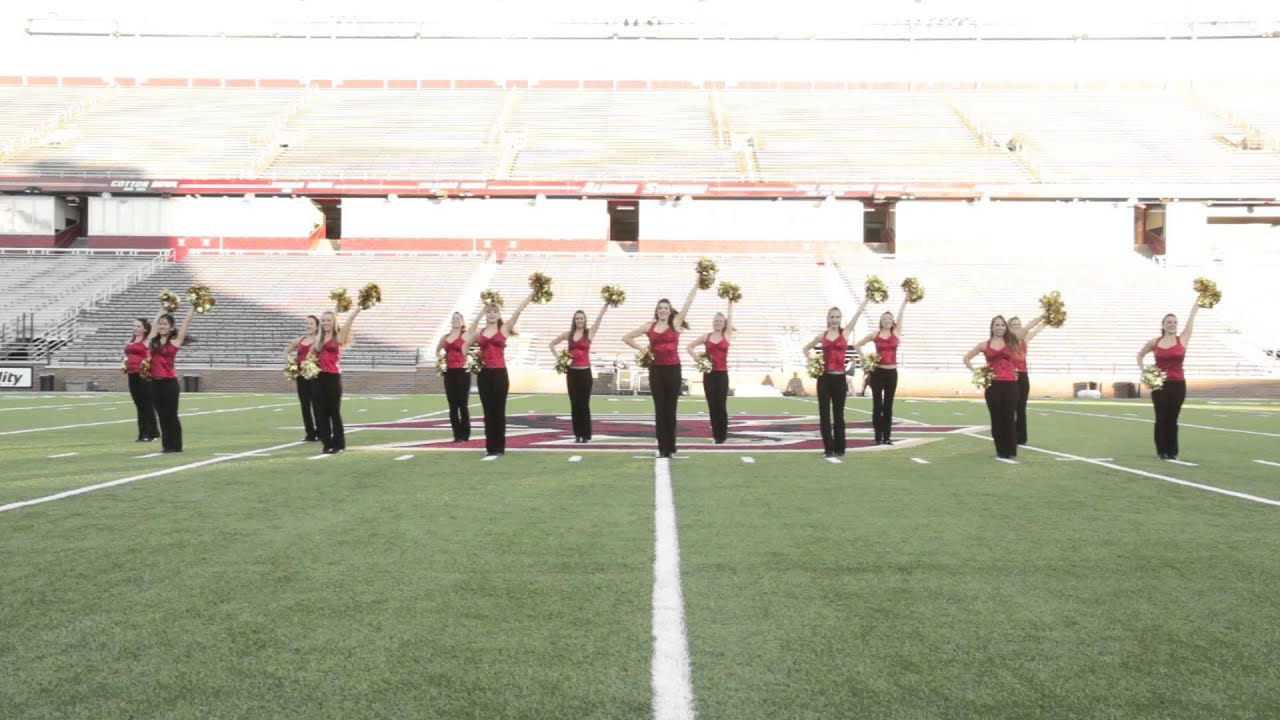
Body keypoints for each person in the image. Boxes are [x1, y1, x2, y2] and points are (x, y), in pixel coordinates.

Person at [622, 281, 701, 458]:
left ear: (670, 310)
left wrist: (697, 283)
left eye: (666, 308)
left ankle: (671, 447)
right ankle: (662, 448)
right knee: (660, 409)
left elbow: (688, 302)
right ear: (656, 311)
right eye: (660, 308)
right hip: (656, 370)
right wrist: (642, 349)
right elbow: (626, 337)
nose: (663, 310)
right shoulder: (649, 326)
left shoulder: (676, 323)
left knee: (670, 409)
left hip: (673, 370)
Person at [464, 292, 533, 458]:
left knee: (498, 411)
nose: (492, 314)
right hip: (484, 374)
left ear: (499, 314)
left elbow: (518, 311)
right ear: (485, 313)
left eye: (495, 312)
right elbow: (464, 345)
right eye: (489, 311)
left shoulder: (504, 328)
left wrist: (533, 294)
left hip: (500, 373)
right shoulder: (479, 333)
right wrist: (471, 361)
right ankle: (490, 447)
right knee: (488, 411)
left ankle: (499, 447)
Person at [802, 296, 870, 458]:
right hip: (824, 379)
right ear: (828, 319)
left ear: (840, 319)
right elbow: (806, 349)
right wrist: (812, 362)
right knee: (824, 415)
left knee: (839, 415)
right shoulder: (822, 336)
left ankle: (840, 448)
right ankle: (828, 449)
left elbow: (857, 316)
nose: (835, 320)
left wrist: (866, 300)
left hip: (839, 379)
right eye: (832, 317)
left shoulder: (845, 333)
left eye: (837, 317)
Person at [1136, 298, 1200, 460]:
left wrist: (1196, 305)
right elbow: (1140, 355)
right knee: (1161, 417)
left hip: (1178, 384)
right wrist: (1144, 371)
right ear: (1163, 325)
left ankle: (1173, 451)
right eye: (1169, 322)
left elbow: (1191, 320)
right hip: (1159, 384)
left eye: (1175, 322)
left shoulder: (1182, 339)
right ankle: (1161, 451)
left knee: (1173, 418)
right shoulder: (1154, 342)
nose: (1172, 324)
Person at [548, 302, 609, 443]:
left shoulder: (589, 333)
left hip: (585, 373)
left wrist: (605, 305)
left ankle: (586, 434)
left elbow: (599, 319)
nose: (579, 320)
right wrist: (559, 359)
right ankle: (577, 434)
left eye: (581, 318)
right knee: (574, 404)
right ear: (574, 320)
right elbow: (552, 344)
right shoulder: (568, 334)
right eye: (577, 318)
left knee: (584, 404)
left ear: (585, 320)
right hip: (572, 374)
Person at [963, 315, 1021, 460]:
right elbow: (966, 358)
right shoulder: (984, 345)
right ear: (992, 327)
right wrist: (977, 372)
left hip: (1011, 384)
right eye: (997, 325)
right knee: (996, 418)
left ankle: (1011, 450)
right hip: (993, 385)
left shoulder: (1011, 342)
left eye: (1002, 325)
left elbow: (1026, 332)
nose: (1000, 327)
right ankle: (1001, 450)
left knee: (1009, 417)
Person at [853, 297, 909, 445]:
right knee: (877, 405)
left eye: (889, 319)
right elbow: (857, 345)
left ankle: (887, 437)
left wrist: (905, 300)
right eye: (884, 319)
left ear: (892, 321)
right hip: (877, 372)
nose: (887, 321)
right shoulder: (875, 335)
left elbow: (901, 314)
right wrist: (864, 359)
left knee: (888, 405)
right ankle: (878, 437)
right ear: (881, 321)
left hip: (892, 373)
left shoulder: (896, 332)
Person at [311, 306, 362, 455]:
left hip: (332, 376)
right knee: (320, 412)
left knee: (333, 411)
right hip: (317, 376)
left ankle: (339, 443)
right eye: (323, 320)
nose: (325, 323)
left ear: (334, 322)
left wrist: (357, 310)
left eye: (328, 320)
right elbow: (310, 356)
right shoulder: (318, 338)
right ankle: (327, 443)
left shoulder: (338, 337)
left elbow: (348, 323)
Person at [146, 307, 196, 453]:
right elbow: (154, 323)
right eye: (160, 324)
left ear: (171, 327)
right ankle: (167, 446)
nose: (162, 326)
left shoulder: (175, 341)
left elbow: (186, 323)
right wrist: (162, 309)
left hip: (169, 383)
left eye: (165, 324)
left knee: (171, 415)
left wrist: (192, 308)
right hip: (155, 383)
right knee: (161, 415)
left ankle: (176, 445)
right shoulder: (152, 340)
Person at [686, 302, 735, 444]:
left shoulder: (726, 335)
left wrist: (730, 302)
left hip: (722, 374)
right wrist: (699, 360)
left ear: (724, 323)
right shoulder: (706, 337)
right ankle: (716, 436)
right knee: (712, 405)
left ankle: (722, 435)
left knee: (721, 405)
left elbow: (730, 317)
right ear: (712, 323)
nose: (718, 323)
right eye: (716, 321)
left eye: (720, 321)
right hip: (709, 375)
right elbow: (689, 347)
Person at [1008, 314, 1047, 446]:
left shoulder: (1025, 339)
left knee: (1021, 408)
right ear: (1009, 327)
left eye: (1018, 325)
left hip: (1023, 376)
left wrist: (1047, 320)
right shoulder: (1007, 341)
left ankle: (1021, 438)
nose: (1016, 327)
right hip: (1010, 376)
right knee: (1010, 407)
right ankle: (1010, 435)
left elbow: (1037, 330)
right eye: (1014, 325)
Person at [283, 315, 321, 442]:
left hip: (315, 376)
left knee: (317, 404)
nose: (308, 326)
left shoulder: (320, 340)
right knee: (305, 405)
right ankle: (310, 434)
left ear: (317, 326)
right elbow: (286, 352)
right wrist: (291, 365)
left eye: (311, 324)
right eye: (307, 323)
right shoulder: (299, 340)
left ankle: (321, 432)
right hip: (301, 376)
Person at [437, 311, 472, 442]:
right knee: (452, 405)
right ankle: (457, 434)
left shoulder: (465, 335)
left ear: (462, 322)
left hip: (463, 371)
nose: (455, 320)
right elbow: (438, 351)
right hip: (449, 372)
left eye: (458, 318)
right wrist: (441, 363)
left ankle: (465, 434)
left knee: (463, 404)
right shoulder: (445, 337)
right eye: (454, 318)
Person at [123, 317, 158, 443]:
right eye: (134, 326)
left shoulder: (147, 340)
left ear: (145, 329)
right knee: (139, 404)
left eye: (138, 326)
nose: (136, 328)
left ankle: (152, 433)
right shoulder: (130, 340)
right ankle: (142, 434)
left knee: (147, 404)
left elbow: (155, 325)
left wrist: (162, 309)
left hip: (144, 374)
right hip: (131, 374)